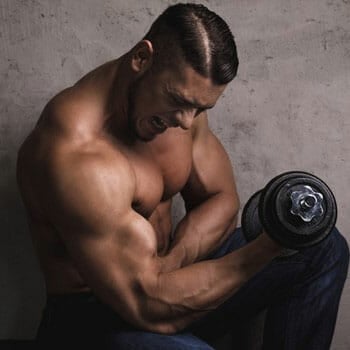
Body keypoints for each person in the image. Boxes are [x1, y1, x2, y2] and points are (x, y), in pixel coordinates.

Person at [17, 3, 349, 349]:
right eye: (179, 101)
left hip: (168, 284)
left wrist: (175, 259)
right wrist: (269, 246)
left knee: (322, 248)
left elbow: (221, 199)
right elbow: (148, 306)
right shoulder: (73, 155)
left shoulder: (180, 108)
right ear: (141, 59)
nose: (187, 122)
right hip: (99, 319)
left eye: (201, 109)